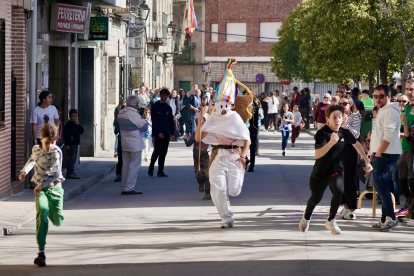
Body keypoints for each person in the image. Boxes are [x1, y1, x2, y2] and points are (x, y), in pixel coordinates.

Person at [299, 105, 372, 235]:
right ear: (327, 119)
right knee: (315, 199)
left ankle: (331, 220)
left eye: (339, 117)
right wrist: (331, 143)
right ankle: (306, 217)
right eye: (334, 117)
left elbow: (356, 144)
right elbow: (318, 155)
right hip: (320, 172)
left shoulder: (344, 132)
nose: (337, 120)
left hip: (336, 169)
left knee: (339, 191)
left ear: (343, 118)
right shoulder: (323, 133)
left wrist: (366, 160)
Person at [197, 58, 252, 228]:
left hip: (235, 156)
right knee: (217, 188)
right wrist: (200, 122)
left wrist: (243, 156)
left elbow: (246, 139)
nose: (222, 108)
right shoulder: (212, 117)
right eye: (219, 104)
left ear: (231, 104)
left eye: (226, 105)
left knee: (234, 191)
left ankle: (239, 177)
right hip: (217, 156)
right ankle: (226, 217)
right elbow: (200, 139)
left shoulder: (235, 117)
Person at [19, 124, 65, 267]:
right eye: (47, 142)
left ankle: (54, 214)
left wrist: (42, 185)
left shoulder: (56, 153)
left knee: (57, 221)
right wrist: (24, 171)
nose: (49, 146)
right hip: (41, 192)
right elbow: (32, 160)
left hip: (55, 189)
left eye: (52, 142)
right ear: (41, 139)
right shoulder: (36, 150)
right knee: (42, 215)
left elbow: (55, 174)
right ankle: (41, 252)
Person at [370, 84, 402, 231]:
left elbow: (389, 134)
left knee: (381, 186)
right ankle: (385, 219)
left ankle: (390, 217)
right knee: (384, 187)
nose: (378, 99)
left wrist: (378, 152)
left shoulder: (390, 112)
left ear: (388, 96)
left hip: (385, 154)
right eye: (375, 96)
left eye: (381, 96)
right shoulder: (384, 110)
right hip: (384, 154)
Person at [336, 95, 362, 220]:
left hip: (350, 148)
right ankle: (345, 205)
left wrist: (346, 124)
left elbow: (356, 134)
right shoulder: (338, 116)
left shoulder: (355, 116)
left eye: (345, 103)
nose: (342, 106)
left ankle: (352, 209)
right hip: (339, 148)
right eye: (340, 103)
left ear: (350, 104)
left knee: (349, 179)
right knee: (338, 178)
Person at [117, 95, 149, 195]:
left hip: (125, 143)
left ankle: (124, 186)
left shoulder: (121, 113)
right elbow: (144, 127)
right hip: (135, 143)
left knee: (125, 165)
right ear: (135, 104)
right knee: (134, 166)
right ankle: (129, 187)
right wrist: (144, 120)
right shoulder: (133, 114)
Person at [184, 105, 211, 200]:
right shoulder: (194, 134)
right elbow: (188, 144)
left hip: (205, 156)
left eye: (203, 123)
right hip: (196, 158)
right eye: (199, 123)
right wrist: (185, 139)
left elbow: (214, 143)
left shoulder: (207, 133)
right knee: (199, 174)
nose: (201, 125)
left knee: (207, 174)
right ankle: (200, 183)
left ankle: (208, 193)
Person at [395, 81, 414, 218]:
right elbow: (406, 132)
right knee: (402, 180)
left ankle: (412, 211)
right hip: (404, 147)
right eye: (407, 89)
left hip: (412, 149)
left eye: (412, 89)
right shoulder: (407, 107)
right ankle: (408, 206)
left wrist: (406, 126)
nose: (409, 92)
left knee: (412, 181)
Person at [149, 89, 176, 177]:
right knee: (157, 151)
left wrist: (172, 133)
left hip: (166, 133)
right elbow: (154, 120)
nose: (165, 97)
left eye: (166, 96)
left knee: (163, 152)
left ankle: (160, 170)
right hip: (157, 133)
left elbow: (171, 122)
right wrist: (158, 132)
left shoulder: (168, 108)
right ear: (160, 95)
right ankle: (151, 166)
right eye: (164, 95)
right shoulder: (155, 106)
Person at [63, 109, 84, 179]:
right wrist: (67, 144)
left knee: (74, 158)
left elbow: (81, 131)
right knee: (71, 158)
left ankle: (71, 171)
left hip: (75, 143)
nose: (74, 118)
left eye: (76, 116)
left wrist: (78, 125)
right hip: (70, 144)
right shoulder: (68, 125)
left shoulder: (76, 124)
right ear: (69, 117)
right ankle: (70, 172)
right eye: (73, 116)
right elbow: (66, 135)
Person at [248, 96, 260, 172]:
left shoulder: (254, 105)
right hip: (243, 129)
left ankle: (252, 165)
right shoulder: (241, 104)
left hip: (252, 129)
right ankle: (245, 161)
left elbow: (255, 119)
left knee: (252, 148)